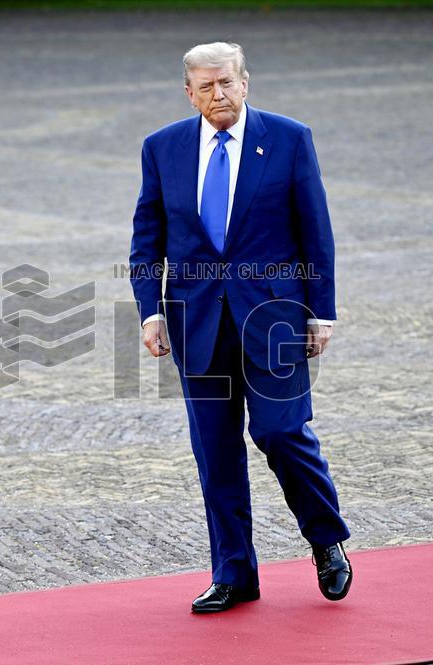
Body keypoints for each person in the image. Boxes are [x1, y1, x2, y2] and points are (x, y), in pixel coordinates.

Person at [129, 42, 352, 613]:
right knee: (216, 451)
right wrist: (150, 312)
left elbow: (316, 230)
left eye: (226, 83)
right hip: (196, 319)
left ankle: (325, 540)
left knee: (282, 432)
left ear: (245, 82)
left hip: (274, 316)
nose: (217, 95)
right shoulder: (162, 148)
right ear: (189, 92)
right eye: (205, 87)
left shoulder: (288, 139)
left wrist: (321, 310)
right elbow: (147, 238)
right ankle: (234, 573)